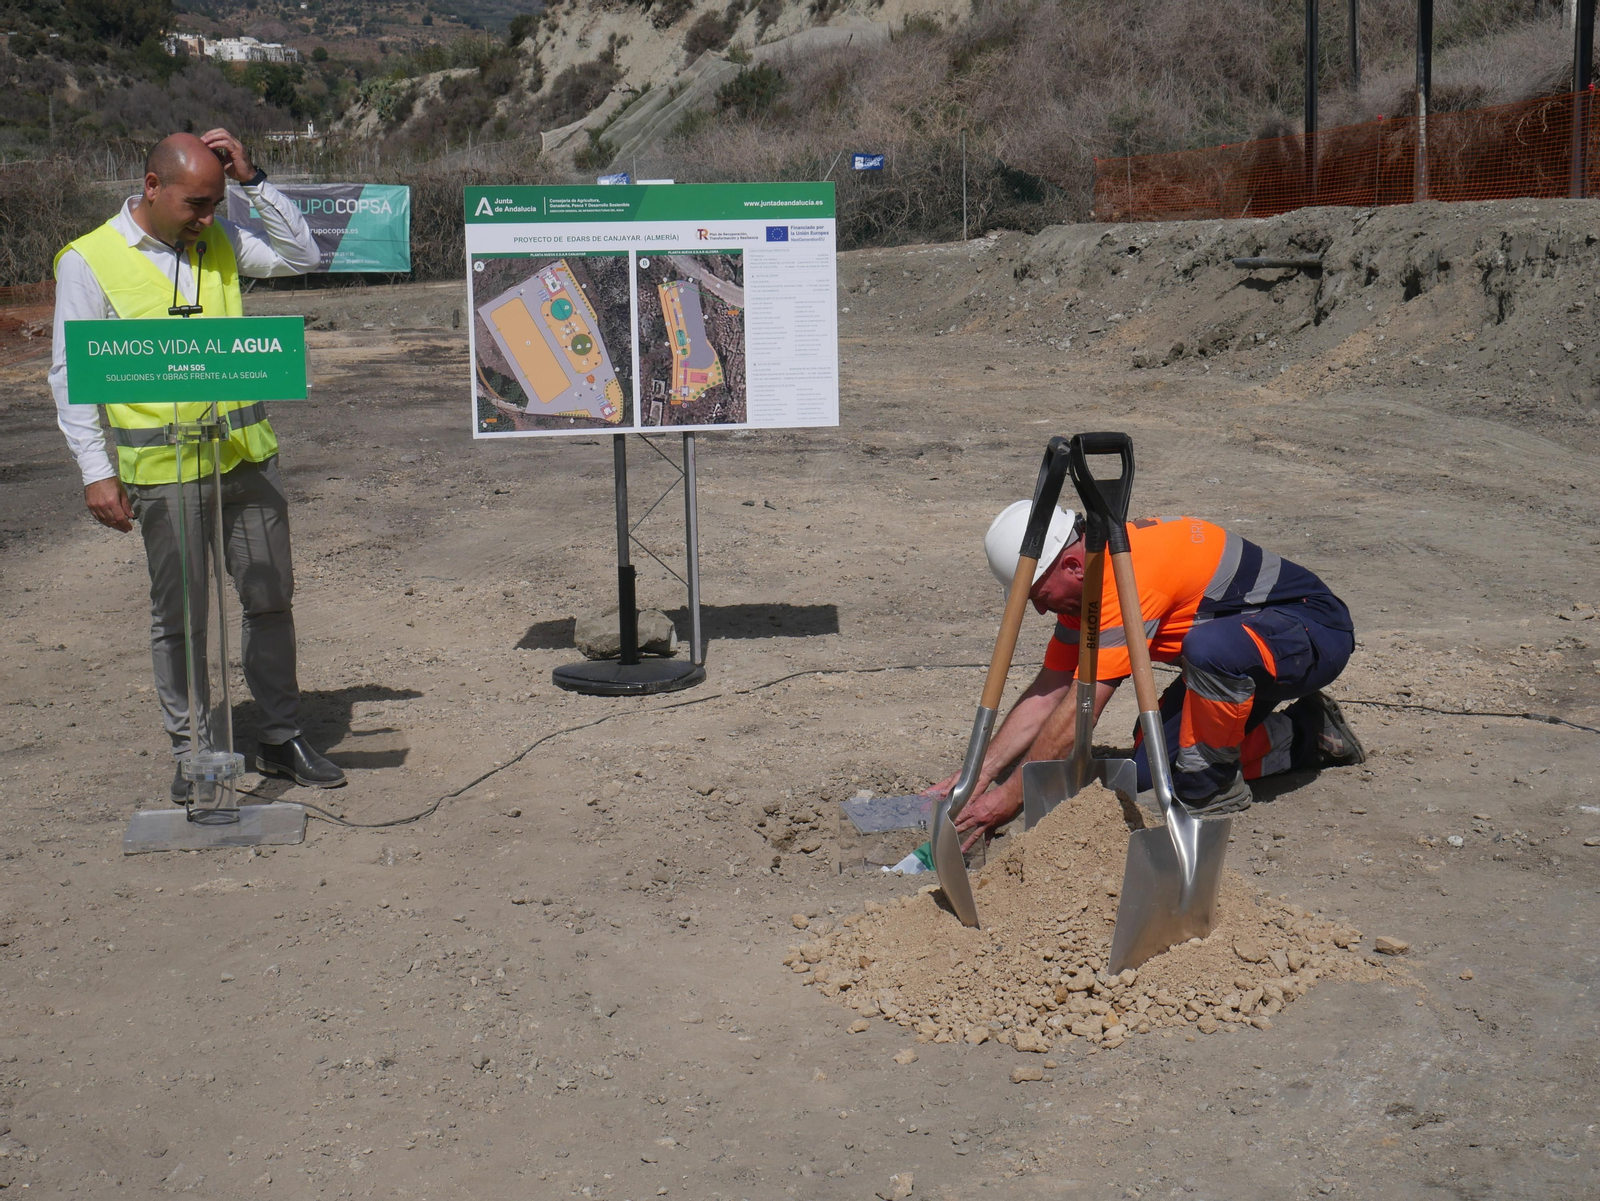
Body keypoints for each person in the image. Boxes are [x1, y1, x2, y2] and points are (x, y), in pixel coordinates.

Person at [50, 128, 346, 800]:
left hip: (244, 458)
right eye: (195, 204)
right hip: (162, 470)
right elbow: (71, 378)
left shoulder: (221, 237)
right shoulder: (90, 260)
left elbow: (304, 254)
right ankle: (194, 752)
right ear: (152, 187)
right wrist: (96, 471)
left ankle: (279, 735)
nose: (208, 217)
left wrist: (253, 180)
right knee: (181, 617)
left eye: (216, 202)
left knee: (270, 599)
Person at [932, 502, 1365, 845]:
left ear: (1071, 567)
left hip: (1311, 634)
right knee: (1149, 771)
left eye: (1038, 595)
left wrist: (1007, 801)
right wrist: (980, 771)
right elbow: (1052, 688)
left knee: (1197, 742)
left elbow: (1082, 708)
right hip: (1241, 658)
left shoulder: (1128, 579)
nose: (1041, 608)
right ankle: (1310, 732)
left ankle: (1215, 788)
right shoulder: (1087, 581)